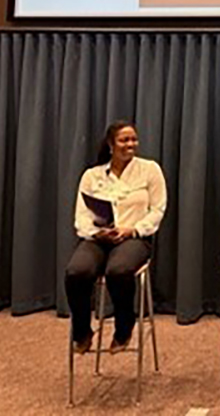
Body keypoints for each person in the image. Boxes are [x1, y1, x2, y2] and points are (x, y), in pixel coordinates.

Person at [65, 121, 168, 355]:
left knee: (118, 270)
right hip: (98, 239)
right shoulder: (92, 176)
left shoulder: (150, 170)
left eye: (133, 139)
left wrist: (133, 230)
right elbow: (81, 217)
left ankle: (124, 326)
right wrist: (96, 233)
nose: (130, 144)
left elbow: (158, 210)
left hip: (134, 238)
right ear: (111, 145)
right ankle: (82, 332)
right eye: (124, 140)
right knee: (76, 272)